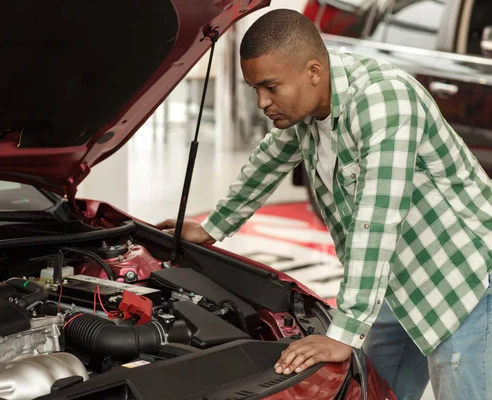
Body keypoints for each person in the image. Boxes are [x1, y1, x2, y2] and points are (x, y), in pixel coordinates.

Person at [157, 8, 492, 400]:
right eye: (255, 90)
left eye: (270, 87)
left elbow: (376, 219)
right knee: (371, 389)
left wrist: (344, 332)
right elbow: (268, 160)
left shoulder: (383, 103)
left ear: (313, 71)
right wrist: (214, 226)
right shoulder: (311, 102)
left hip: (461, 281)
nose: (263, 102)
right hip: (395, 279)